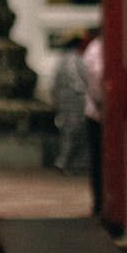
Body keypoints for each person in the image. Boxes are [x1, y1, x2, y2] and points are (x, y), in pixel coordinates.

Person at [51, 33, 89, 174]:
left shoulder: (61, 60)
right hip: (78, 100)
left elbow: (54, 83)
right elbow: (86, 80)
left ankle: (66, 162)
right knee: (76, 132)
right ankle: (65, 162)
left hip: (64, 101)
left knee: (68, 132)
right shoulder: (78, 59)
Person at [83, 27, 104, 216]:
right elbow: (97, 77)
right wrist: (103, 103)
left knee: (99, 160)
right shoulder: (96, 50)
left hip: (97, 110)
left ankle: (101, 202)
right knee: (98, 160)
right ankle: (100, 203)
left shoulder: (95, 49)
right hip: (98, 112)